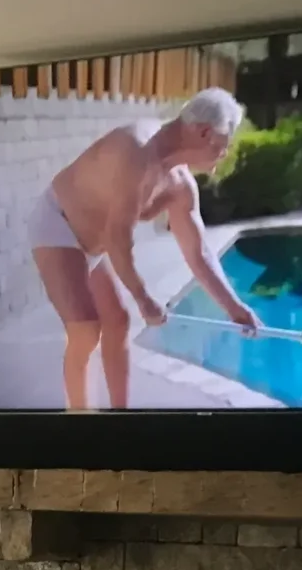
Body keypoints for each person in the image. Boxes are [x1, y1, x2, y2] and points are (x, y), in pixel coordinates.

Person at [28, 86, 263, 410]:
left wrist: (235, 308)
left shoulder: (181, 186)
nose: (224, 153)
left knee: (119, 321)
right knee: (85, 328)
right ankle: (78, 421)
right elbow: (117, 239)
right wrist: (143, 298)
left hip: (93, 245)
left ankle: (121, 420)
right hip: (59, 222)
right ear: (205, 133)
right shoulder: (136, 152)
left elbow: (199, 254)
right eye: (224, 144)